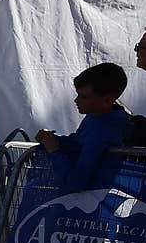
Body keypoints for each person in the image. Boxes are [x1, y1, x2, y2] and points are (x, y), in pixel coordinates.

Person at [34, 62, 133, 190]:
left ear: (107, 100)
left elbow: (75, 182)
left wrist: (54, 151)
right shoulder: (95, 117)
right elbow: (78, 142)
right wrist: (53, 140)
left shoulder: (103, 131)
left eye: (83, 96)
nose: (76, 100)